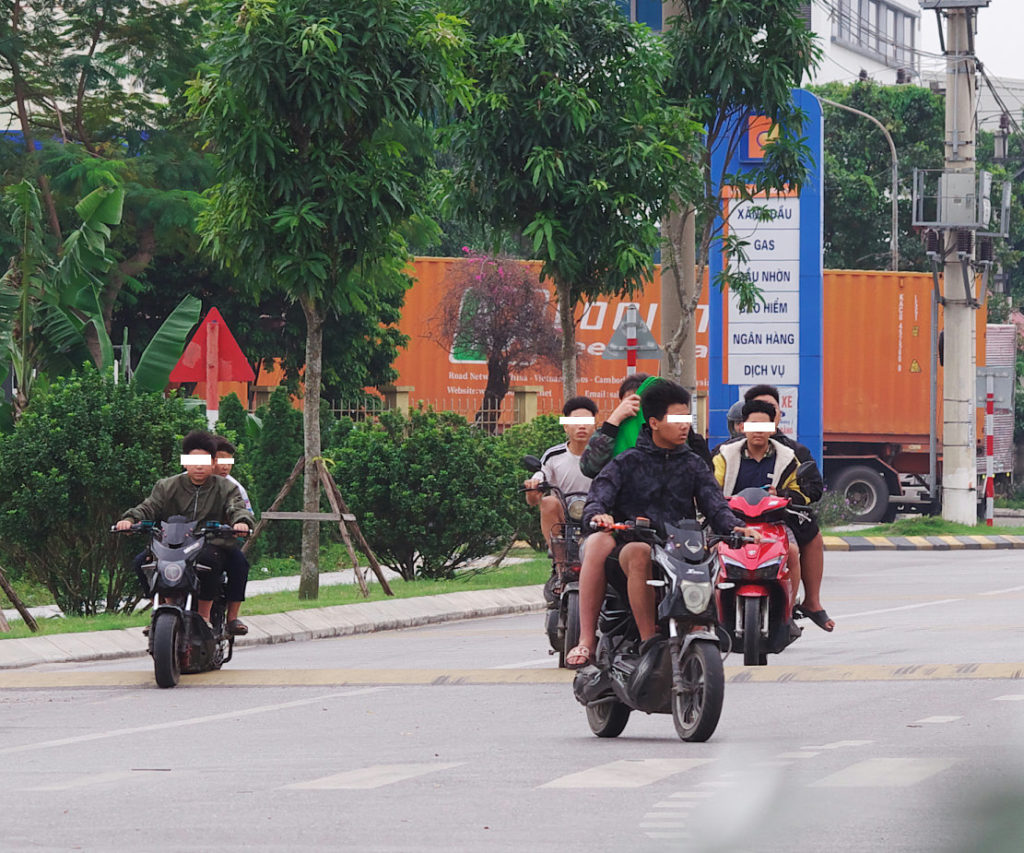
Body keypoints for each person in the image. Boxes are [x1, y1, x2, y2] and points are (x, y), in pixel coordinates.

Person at [565, 381, 758, 667]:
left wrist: (735, 528)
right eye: (676, 420)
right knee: (634, 550)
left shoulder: (693, 464)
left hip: (681, 551)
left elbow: (715, 505)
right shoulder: (626, 462)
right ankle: (633, 642)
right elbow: (598, 497)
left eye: (687, 420)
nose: (684, 427)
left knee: (713, 556)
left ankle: (699, 629)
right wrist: (599, 515)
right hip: (632, 546)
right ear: (653, 422)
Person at [116, 429, 255, 635]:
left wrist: (241, 522)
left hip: (211, 543)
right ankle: (161, 610)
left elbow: (237, 508)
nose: (199, 466)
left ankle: (210, 618)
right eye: (194, 461)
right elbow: (149, 507)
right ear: (184, 462)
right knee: (142, 562)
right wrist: (130, 520)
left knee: (217, 563)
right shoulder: (167, 486)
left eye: (205, 461)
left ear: (213, 462)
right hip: (173, 544)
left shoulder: (227, 487)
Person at [742, 384, 834, 632]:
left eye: (771, 410)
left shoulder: (794, 452)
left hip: (780, 520)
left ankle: (806, 604)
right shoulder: (728, 453)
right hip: (735, 522)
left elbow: (814, 489)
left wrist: (783, 497)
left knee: (808, 535)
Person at [711, 399, 804, 608]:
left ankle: (790, 607)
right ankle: (707, 607)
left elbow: (800, 491)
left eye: (764, 426)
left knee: (792, 552)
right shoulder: (724, 456)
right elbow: (711, 489)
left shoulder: (788, 458)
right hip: (729, 522)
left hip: (773, 523)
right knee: (710, 550)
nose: (758, 432)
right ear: (742, 427)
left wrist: (782, 493)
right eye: (753, 426)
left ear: (773, 428)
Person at [524, 396, 597, 551]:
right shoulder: (552, 456)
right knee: (549, 501)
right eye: (575, 422)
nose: (581, 426)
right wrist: (533, 487)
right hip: (565, 517)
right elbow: (536, 490)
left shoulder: (605, 456)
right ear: (565, 427)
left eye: (587, 422)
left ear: (595, 426)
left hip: (597, 516)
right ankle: (560, 562)